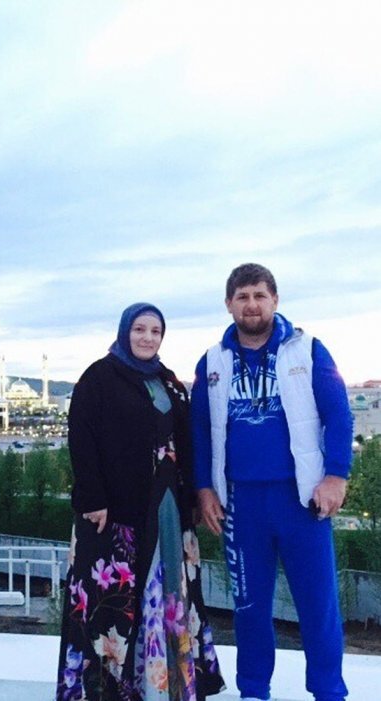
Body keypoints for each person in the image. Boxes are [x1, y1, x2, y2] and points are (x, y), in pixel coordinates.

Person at [191, 263, 352, 701]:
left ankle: (329, 692)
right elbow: (200, 430)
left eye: (260, 295)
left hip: (301, 501)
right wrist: (204, 488)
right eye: (242, 297)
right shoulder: (213, 361)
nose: (252, 305)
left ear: (275, 300)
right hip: (241, 504)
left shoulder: (308, 349)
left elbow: (339, 415)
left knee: (318, 605)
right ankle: (254, 690)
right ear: (229, 304)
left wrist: (336, 476)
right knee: (249, 608)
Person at [56, 303, 224, 701]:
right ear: (124, 332)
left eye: (155, 331)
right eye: (140, 329)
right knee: (112, 605)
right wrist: (92, 498)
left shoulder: (168, 381)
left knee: (168, 594)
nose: (148, 337)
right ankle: (109, 690)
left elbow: (186, 441)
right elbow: (82, 439)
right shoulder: (99, 377)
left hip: (167, 509)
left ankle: (163, 688)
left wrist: (194, 496)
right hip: (116, 514)